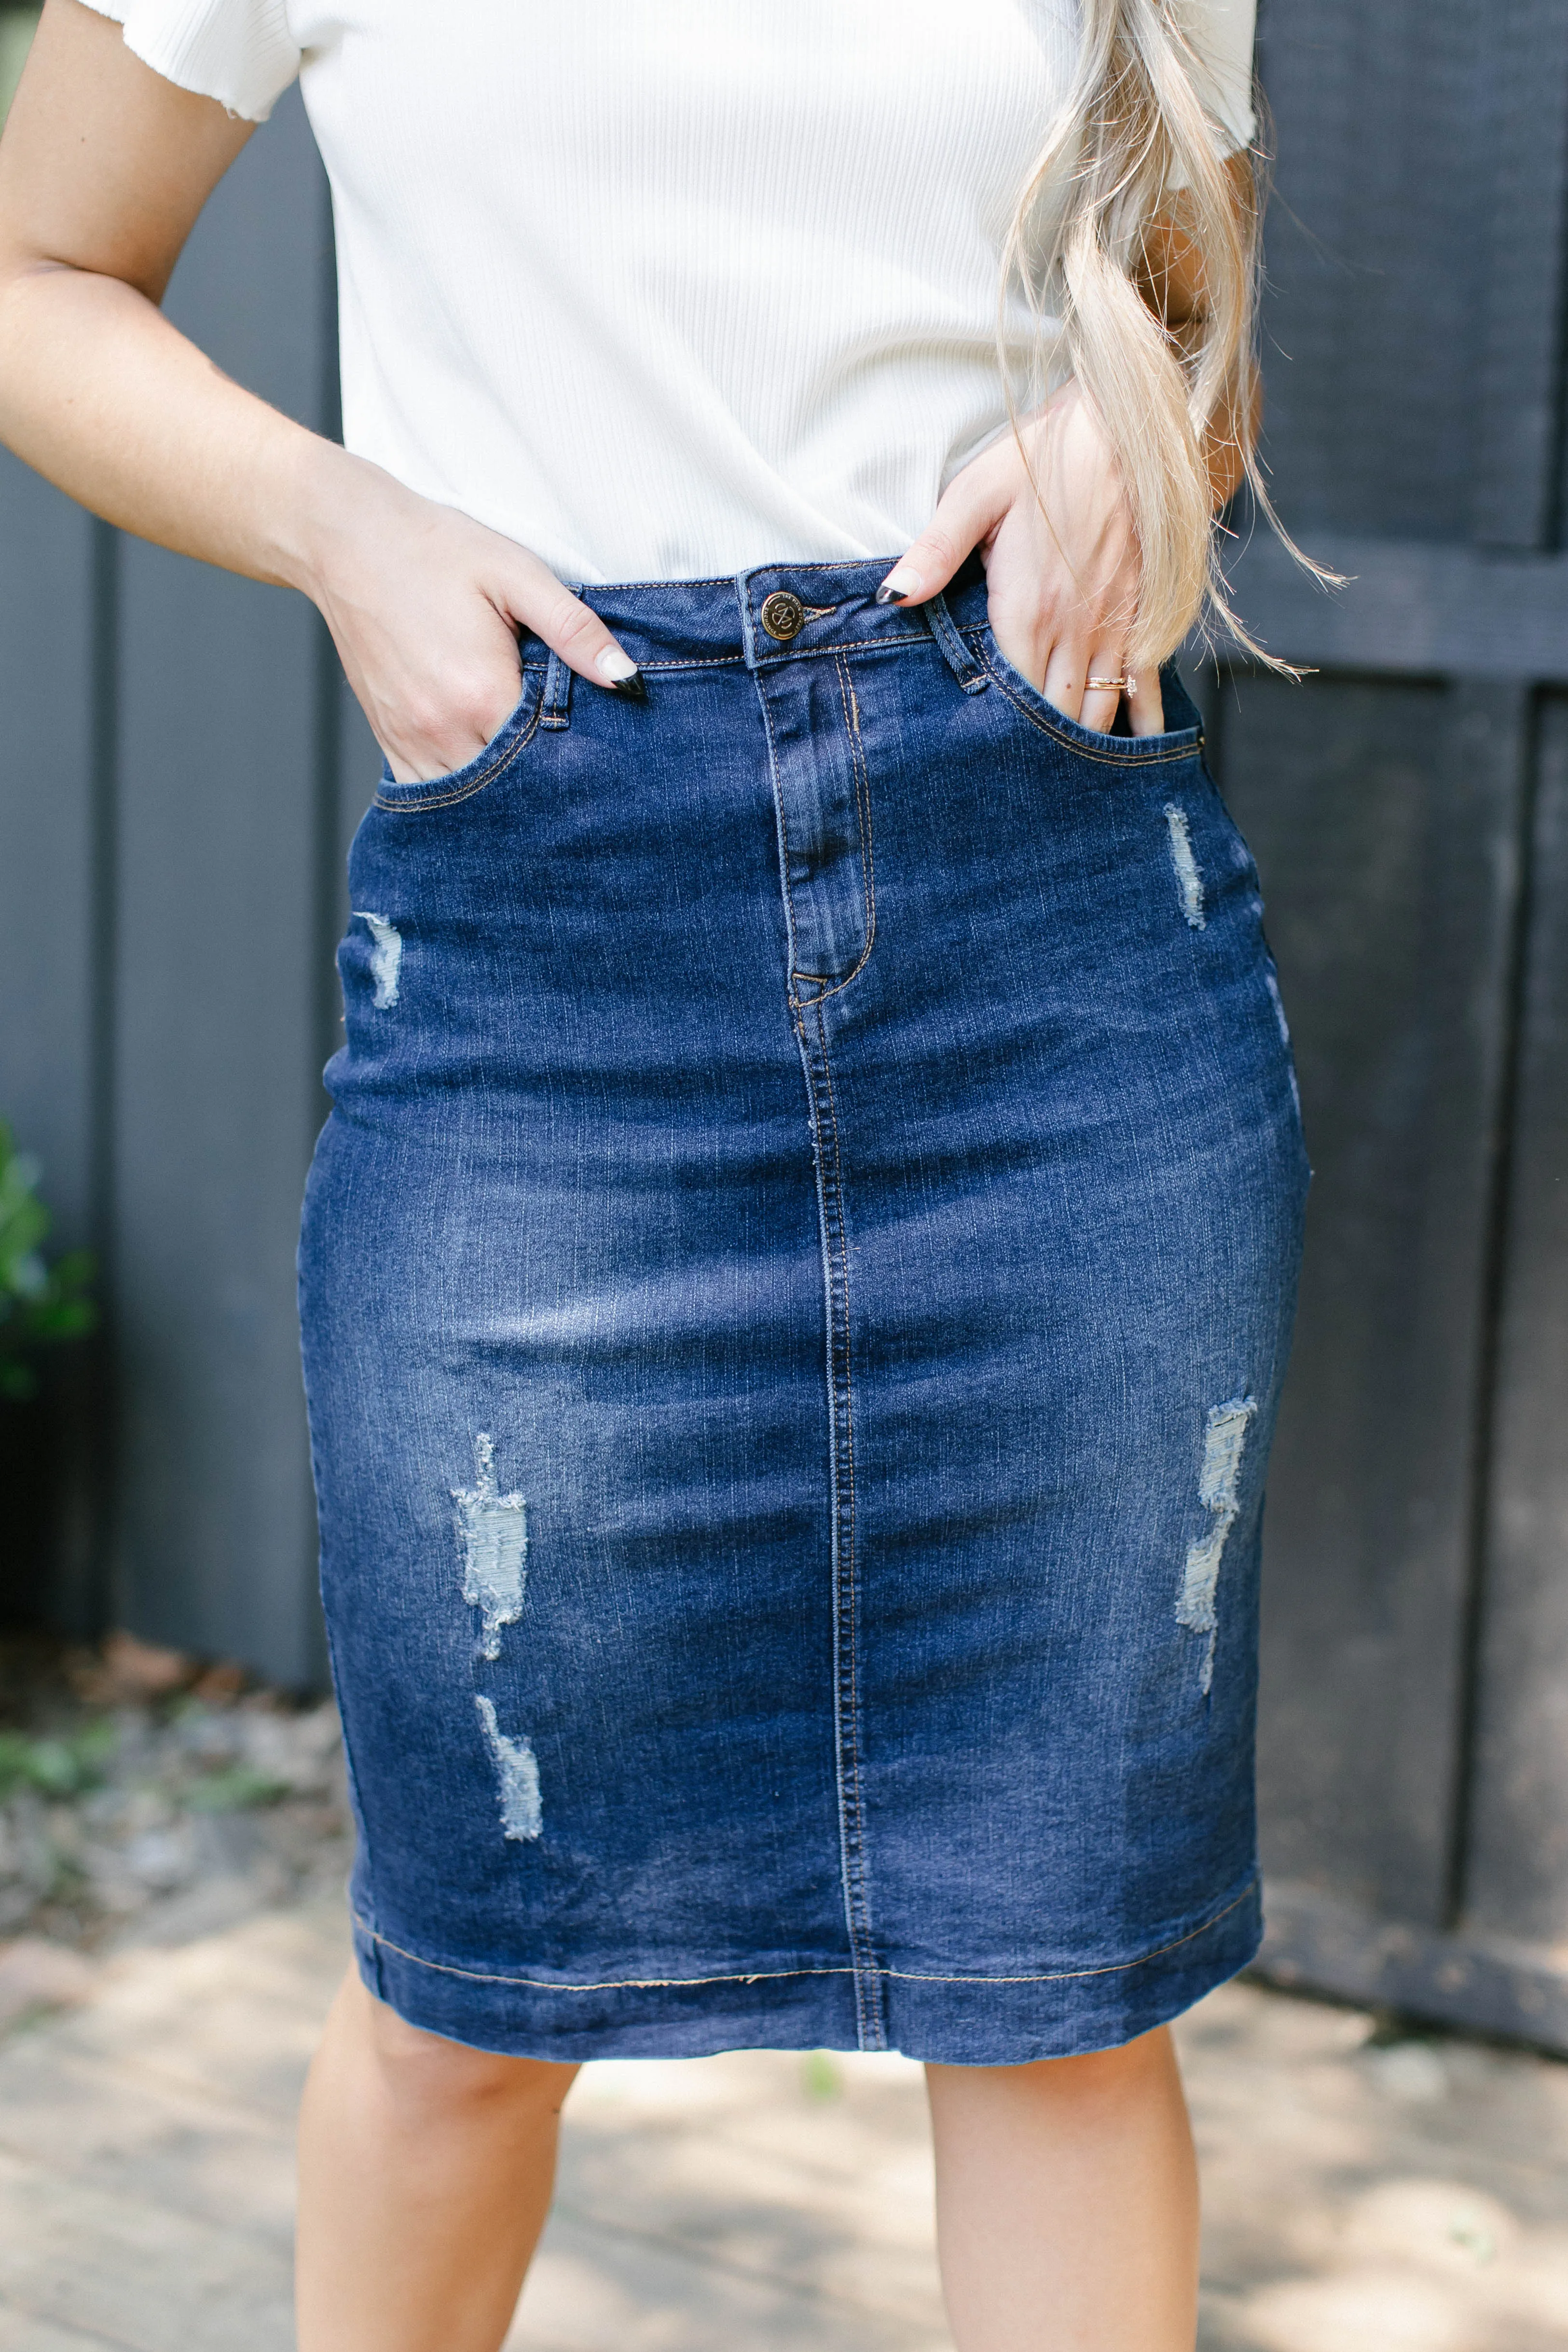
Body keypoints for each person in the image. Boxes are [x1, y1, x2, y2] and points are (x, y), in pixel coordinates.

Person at [0, 4, 1310, 2346]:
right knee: (473, 1995)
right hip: (555, 927)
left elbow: (1183, 280)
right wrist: (342, 528)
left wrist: (1150, 438)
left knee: (1062, 1991)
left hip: (1055, 924)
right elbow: (34, 271)